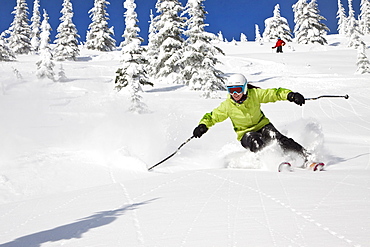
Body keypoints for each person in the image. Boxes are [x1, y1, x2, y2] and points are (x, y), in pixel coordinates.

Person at [193, 73, 310, 164]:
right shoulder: (227, 105)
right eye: (231, 90)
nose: (234, 93)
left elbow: (273, 93)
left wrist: (290, 95)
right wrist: (203, 126)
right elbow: (213, 116)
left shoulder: (254, 94)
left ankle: (305, 156)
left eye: (237, 90)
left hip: (263, 125)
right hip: (245, 133)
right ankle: (275, 161)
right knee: (256, 142)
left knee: (278, 138)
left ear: (244, 88)